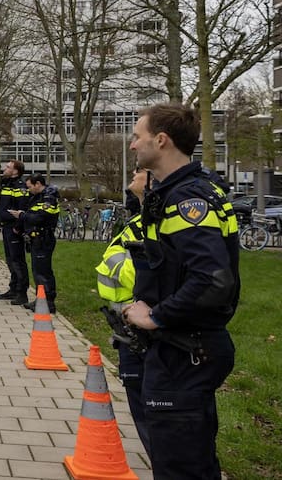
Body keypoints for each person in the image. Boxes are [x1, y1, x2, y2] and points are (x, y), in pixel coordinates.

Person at [124, 103, 239, 479]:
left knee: (181, 467)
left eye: (137, 136)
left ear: (161, 140)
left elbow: (212, 280)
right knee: (189, 460)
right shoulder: (182, 191)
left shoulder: (188, 199)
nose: (131, 145)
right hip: (183, 349)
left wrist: (156, 316)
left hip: (185, 350)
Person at [95, 166, 151, 454]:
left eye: (140, 171)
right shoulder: (140, 221)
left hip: (147, 329)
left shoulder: (157, 223)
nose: (133, 174)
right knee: (142, 411)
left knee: (156, 422)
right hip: (128, 327)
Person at [11, 174, 59, 313]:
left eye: (30, 186)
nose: (29, 190)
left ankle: (47, 303)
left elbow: (40, 218)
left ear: (38, 184)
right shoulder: (37, 197)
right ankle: (41, 300)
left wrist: (21, 215)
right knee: (38, 272)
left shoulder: (48, 199)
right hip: (36, 239)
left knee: (43, 273)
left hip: (44, 238)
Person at [0, 159, 30, 306]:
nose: (5, 168)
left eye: (8, 167)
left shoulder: (19, 187)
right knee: (10, 260)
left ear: (15, 171)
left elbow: (21, 210)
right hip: (6, 227)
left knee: (17, 261)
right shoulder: (7, 184)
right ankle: (13, 288)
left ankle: (22, 293)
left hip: (14, 229)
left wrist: (18, 226)